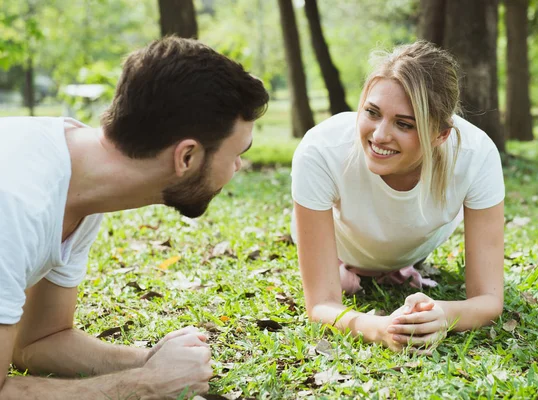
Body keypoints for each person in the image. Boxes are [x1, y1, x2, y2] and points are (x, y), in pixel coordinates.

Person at [0, 37, 269, 398]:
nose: (239, 166)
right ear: (186, 156)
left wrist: (152, 362)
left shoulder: (79, 180)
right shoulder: (17, 201)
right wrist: (145, 385)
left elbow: (37, 342)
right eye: (237, 153)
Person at [291, 41, 504, 352]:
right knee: (340, 278)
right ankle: (352, 270)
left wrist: (441, 315)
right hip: (341, 242)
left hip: (411, 247)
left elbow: (489, 299)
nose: (379, 135)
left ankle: (388, 270)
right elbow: (321, 304)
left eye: (404, 124)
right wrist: (380, 328)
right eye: (372, 112)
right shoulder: (322, 149)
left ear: (440, 135)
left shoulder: (474, 154)